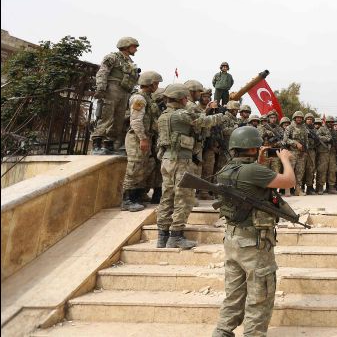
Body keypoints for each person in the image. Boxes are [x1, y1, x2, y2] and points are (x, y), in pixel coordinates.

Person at [211, 126, 296, 337]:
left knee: (234, 294)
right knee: (260, 296)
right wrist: (285, 159)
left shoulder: (226, 170)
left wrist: (260, 162)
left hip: (232, 238)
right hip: (254, 243)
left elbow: (249, 180)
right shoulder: (254, 171)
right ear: (252, 148)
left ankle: (222, 331)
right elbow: (289, 182)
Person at [155, 84, 224, 249]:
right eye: (185, 97)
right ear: (181, 98)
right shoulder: (180, 115)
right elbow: (203, 122)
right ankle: (176, 236)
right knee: (183, 197)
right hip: (181, 160)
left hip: (167, 160)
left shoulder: (163, 116)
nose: (187, 100)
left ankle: (162, 236)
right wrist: (222, 115)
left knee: (167, 197)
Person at [122, 70, 163, 211]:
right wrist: (143, 138)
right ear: (150, 84)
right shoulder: (139, 98)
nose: (157, 86)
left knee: (143, 167)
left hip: (146, 137)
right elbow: (136, 121)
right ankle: (127, 200)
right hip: (137, 137)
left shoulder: (148, 98)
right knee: (134, 167)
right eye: (156, 83)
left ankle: (137, 196)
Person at [91, 37, 140, 154]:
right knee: (106, 116)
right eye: (134, 47)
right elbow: (102, 72)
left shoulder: (130, 63)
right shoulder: (113, 57)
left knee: (119, 119)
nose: (136, 50)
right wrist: (101, 88)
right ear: (126, 46)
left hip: (125, 91)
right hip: (112, 88)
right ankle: (96, 144)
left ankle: (109, 144)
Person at [282, 111, 308, 196]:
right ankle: (287, 189)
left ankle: (298, 190)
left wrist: (305, 150)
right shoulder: (290, 127)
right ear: (294, 118)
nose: (299, 119)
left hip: (301, 153)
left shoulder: (304, 128)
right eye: (297, 117)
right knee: (290, 171)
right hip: (292, 152)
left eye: (300, 117)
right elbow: (285, 140)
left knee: (300, 172)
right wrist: (295, 143)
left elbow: (306, 140)